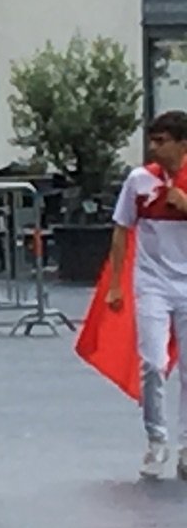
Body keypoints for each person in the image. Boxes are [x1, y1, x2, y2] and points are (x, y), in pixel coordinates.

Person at [117, 112, 187, 479]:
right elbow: (121, 227)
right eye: (153, 141)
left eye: (162, 141)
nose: (154, 148)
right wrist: (116, 283)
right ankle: (156, 439)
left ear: (182, 144)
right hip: (152, 282)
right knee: (153, 362)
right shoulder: (139, 180)